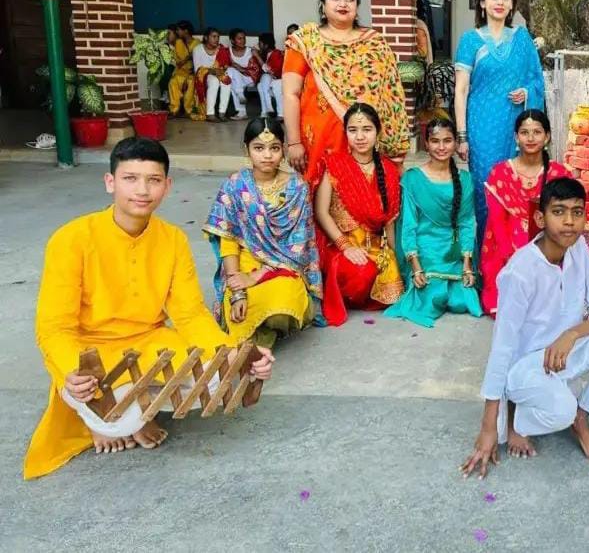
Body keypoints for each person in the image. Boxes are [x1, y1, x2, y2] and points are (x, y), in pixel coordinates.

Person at [24, 137, 274, 480]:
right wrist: (71, 372)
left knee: (224, 378)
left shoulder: (172, 239)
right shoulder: (70, 240)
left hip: (151, 344)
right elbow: (55, 328)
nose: (142, 190)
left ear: (167, 186)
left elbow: (189, 315)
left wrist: (234, 353)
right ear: (110, 182)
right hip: (92, 354)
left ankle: (136, 409)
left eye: (153, 180)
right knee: (117, 422)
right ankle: (103, 416)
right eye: (130, 178)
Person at [460, 177, 589, 479]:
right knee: (559, 411)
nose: (569, 222)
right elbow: (502, 348)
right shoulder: (519, 272)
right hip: (526, 370)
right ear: (540, 218)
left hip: (564, 354)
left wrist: (571, 334)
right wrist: (488, 427)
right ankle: (517, 418)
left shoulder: (578, 249)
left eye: (577, 212)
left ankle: (582, 419)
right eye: (558, 212)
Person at [204, 118, 322, 348]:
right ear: (246, 149)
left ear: (284, 150)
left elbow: (298, 250)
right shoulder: (235, 185)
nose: (267, 155)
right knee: (240, 308)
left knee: (282, 304)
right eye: (259, 148)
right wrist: (237, 286)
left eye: (274, 148)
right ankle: (256, 340)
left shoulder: (297, 187)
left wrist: (257, 277)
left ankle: (256, 340)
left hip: (283, 270)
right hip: (243, 264)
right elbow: (228, 239)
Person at [284, 0, 410, 185]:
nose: (342, 4)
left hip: (365, 139)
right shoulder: (306, 42)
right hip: (320, 139)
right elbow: (290, 93)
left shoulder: (374, 44)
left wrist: (393, 143)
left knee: (363, 199)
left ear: (357, 6)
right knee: (320, 197)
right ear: (323, 5)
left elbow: (391, 96)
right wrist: (294, 142)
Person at [454, 0, 546, 238]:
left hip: (517, 127)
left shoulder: (522, 39)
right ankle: (488, 262)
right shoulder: (470, 40)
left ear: (511, 5)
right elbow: (460, 90)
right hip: (482, 129)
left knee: (522, 188)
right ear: (482, 3)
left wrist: (527, 92)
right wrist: (462, 136)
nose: (500, 1)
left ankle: (520, 256)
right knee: (487, 191)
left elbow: (537, 81)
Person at [384, 118, 481, 328]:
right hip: (424, 247)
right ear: (426, 144)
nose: (441, 147)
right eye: (435, 141)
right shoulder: (412, 178)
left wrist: (467, 265)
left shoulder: (464, 179)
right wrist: (415, 266)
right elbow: (409, 225)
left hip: (453, 248)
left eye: (447, 141)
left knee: (462, 301)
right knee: (433, 297)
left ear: (456, 143)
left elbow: (466, 223)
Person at [314, 103, 404, 326]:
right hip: (342, 246)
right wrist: (345, 246)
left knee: (397, 279)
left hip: (378, 248)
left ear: (377, 132)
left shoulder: (389, 170)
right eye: (353, 130)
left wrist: (399, 259)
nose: (360, 136)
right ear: (345, 133)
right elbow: (321, 212)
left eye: (367, 129)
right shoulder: (335, 165)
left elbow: (389, 223)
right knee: (361, 271)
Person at [479, 110, 571, 316]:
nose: (530, 138)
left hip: (548, 239)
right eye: (524, 132)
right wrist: (514, 256)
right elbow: (496, 220)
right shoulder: (500, 172)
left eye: (537, 132)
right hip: (507, 244)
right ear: (515, 137)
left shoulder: (559, 173)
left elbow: (566, 217)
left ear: (547, 136)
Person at [224, 29, 269, 120]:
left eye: (244, 38)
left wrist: (241, 68)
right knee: (232, 75)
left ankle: (242, 110)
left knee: (233, 76)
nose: (243, 41)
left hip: (250, 78)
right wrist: (236, 68)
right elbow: (223, 65)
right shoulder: (227, 51)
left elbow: (261, 68)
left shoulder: (251, 51)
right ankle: (242, 110)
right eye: (239, 38)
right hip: (236, 80)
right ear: (232, 40)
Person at [192, 27, 233, 122]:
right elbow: (197, 70)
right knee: (214, 81)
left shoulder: (221, 49)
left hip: (218, 73)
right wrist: (212, 71)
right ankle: (210, 114)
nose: (217, 39)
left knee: (226, 81)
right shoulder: (197, 49)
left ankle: (222, 112)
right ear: (206, 38)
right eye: (214, 36)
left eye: (218, 37)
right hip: (203, 76)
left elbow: (225, 64)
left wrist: (222, 70)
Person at [168, 20, 198, 118]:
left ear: (186, 31)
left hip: (192, 74)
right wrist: (187, 58)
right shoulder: (178, 43)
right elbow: (178, 63)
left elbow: (199, 62)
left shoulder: (197, 43)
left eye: (179, 30)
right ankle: (174, 110)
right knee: (172, 82)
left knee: (191, 83)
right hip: (180, 73)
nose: (177, 32)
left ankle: (189, 110)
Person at [257, 32, 285, 116]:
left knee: (265, 77)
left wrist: (257, 57)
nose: (258, 45)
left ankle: (268, 108)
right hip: (270, 80)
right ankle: (265, 112)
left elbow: (272, 71)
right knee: (260, 85)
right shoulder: (266, 54)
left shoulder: (277, 53)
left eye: (260, 43)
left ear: (266, 45)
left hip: (277, 79)